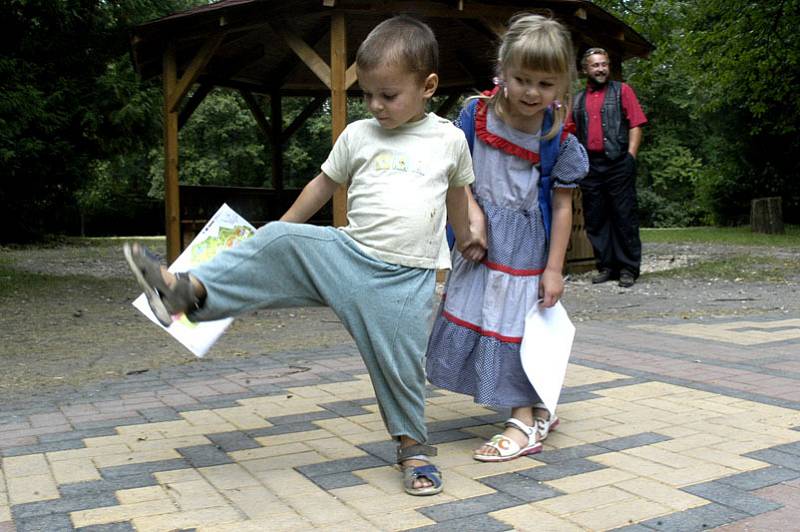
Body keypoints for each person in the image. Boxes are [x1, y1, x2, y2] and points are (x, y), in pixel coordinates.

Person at [123, 15, 486, 496]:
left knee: (399, 369)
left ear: (428, 87)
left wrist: (466, 238)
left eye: (389, 95)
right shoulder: (358, 135)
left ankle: (413, 448)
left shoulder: (450, 140)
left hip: (405, 281)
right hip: (348, 255)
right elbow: (323, 185)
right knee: (280, 237)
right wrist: (276, 237)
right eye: (368, 93)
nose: (376, 105)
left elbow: (458, 197)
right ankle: (184, 293)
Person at [425, 14, 588, 462]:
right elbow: (458, 176)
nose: (533, 93)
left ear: (564, 85)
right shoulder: (474, 115)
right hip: (478, 245)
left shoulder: (558, 137)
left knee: (517, 329)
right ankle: (535, 407)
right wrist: (469, 218)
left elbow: (561, 206)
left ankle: (524, 419)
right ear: (502, 69)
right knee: (482, 315)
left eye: (546, 83)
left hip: (525, 252)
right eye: (522, 79)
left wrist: (554, 269)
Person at [569, 47, 648, 288]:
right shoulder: (578, 99)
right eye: (595, 65)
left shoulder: (622, 91)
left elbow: (636, 124)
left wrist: (631, 157)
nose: (601, 69)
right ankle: (607, 266)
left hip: (618, 162)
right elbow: (570, 132)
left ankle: (628, 268)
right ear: (585, 70)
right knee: (596, 218)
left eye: (604, 64)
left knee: (624, 215)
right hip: (590, 166)